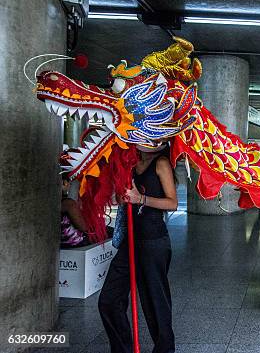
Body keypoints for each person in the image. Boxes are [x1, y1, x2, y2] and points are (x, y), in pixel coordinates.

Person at [98, 143, 178, 353]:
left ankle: (165, 350)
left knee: (154, 304)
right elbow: (123, 197)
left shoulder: (161, 163)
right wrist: (121, 197)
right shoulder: (131, 163)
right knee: (109, 299)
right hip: (129, 242)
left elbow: (172, 203)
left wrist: (140, 198)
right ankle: (122, 348)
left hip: (153, 242)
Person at [60, 175, 90, 248]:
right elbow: (83, 227)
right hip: (74, 243)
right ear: (65, 183)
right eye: (70, 183)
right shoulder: (68, 204)